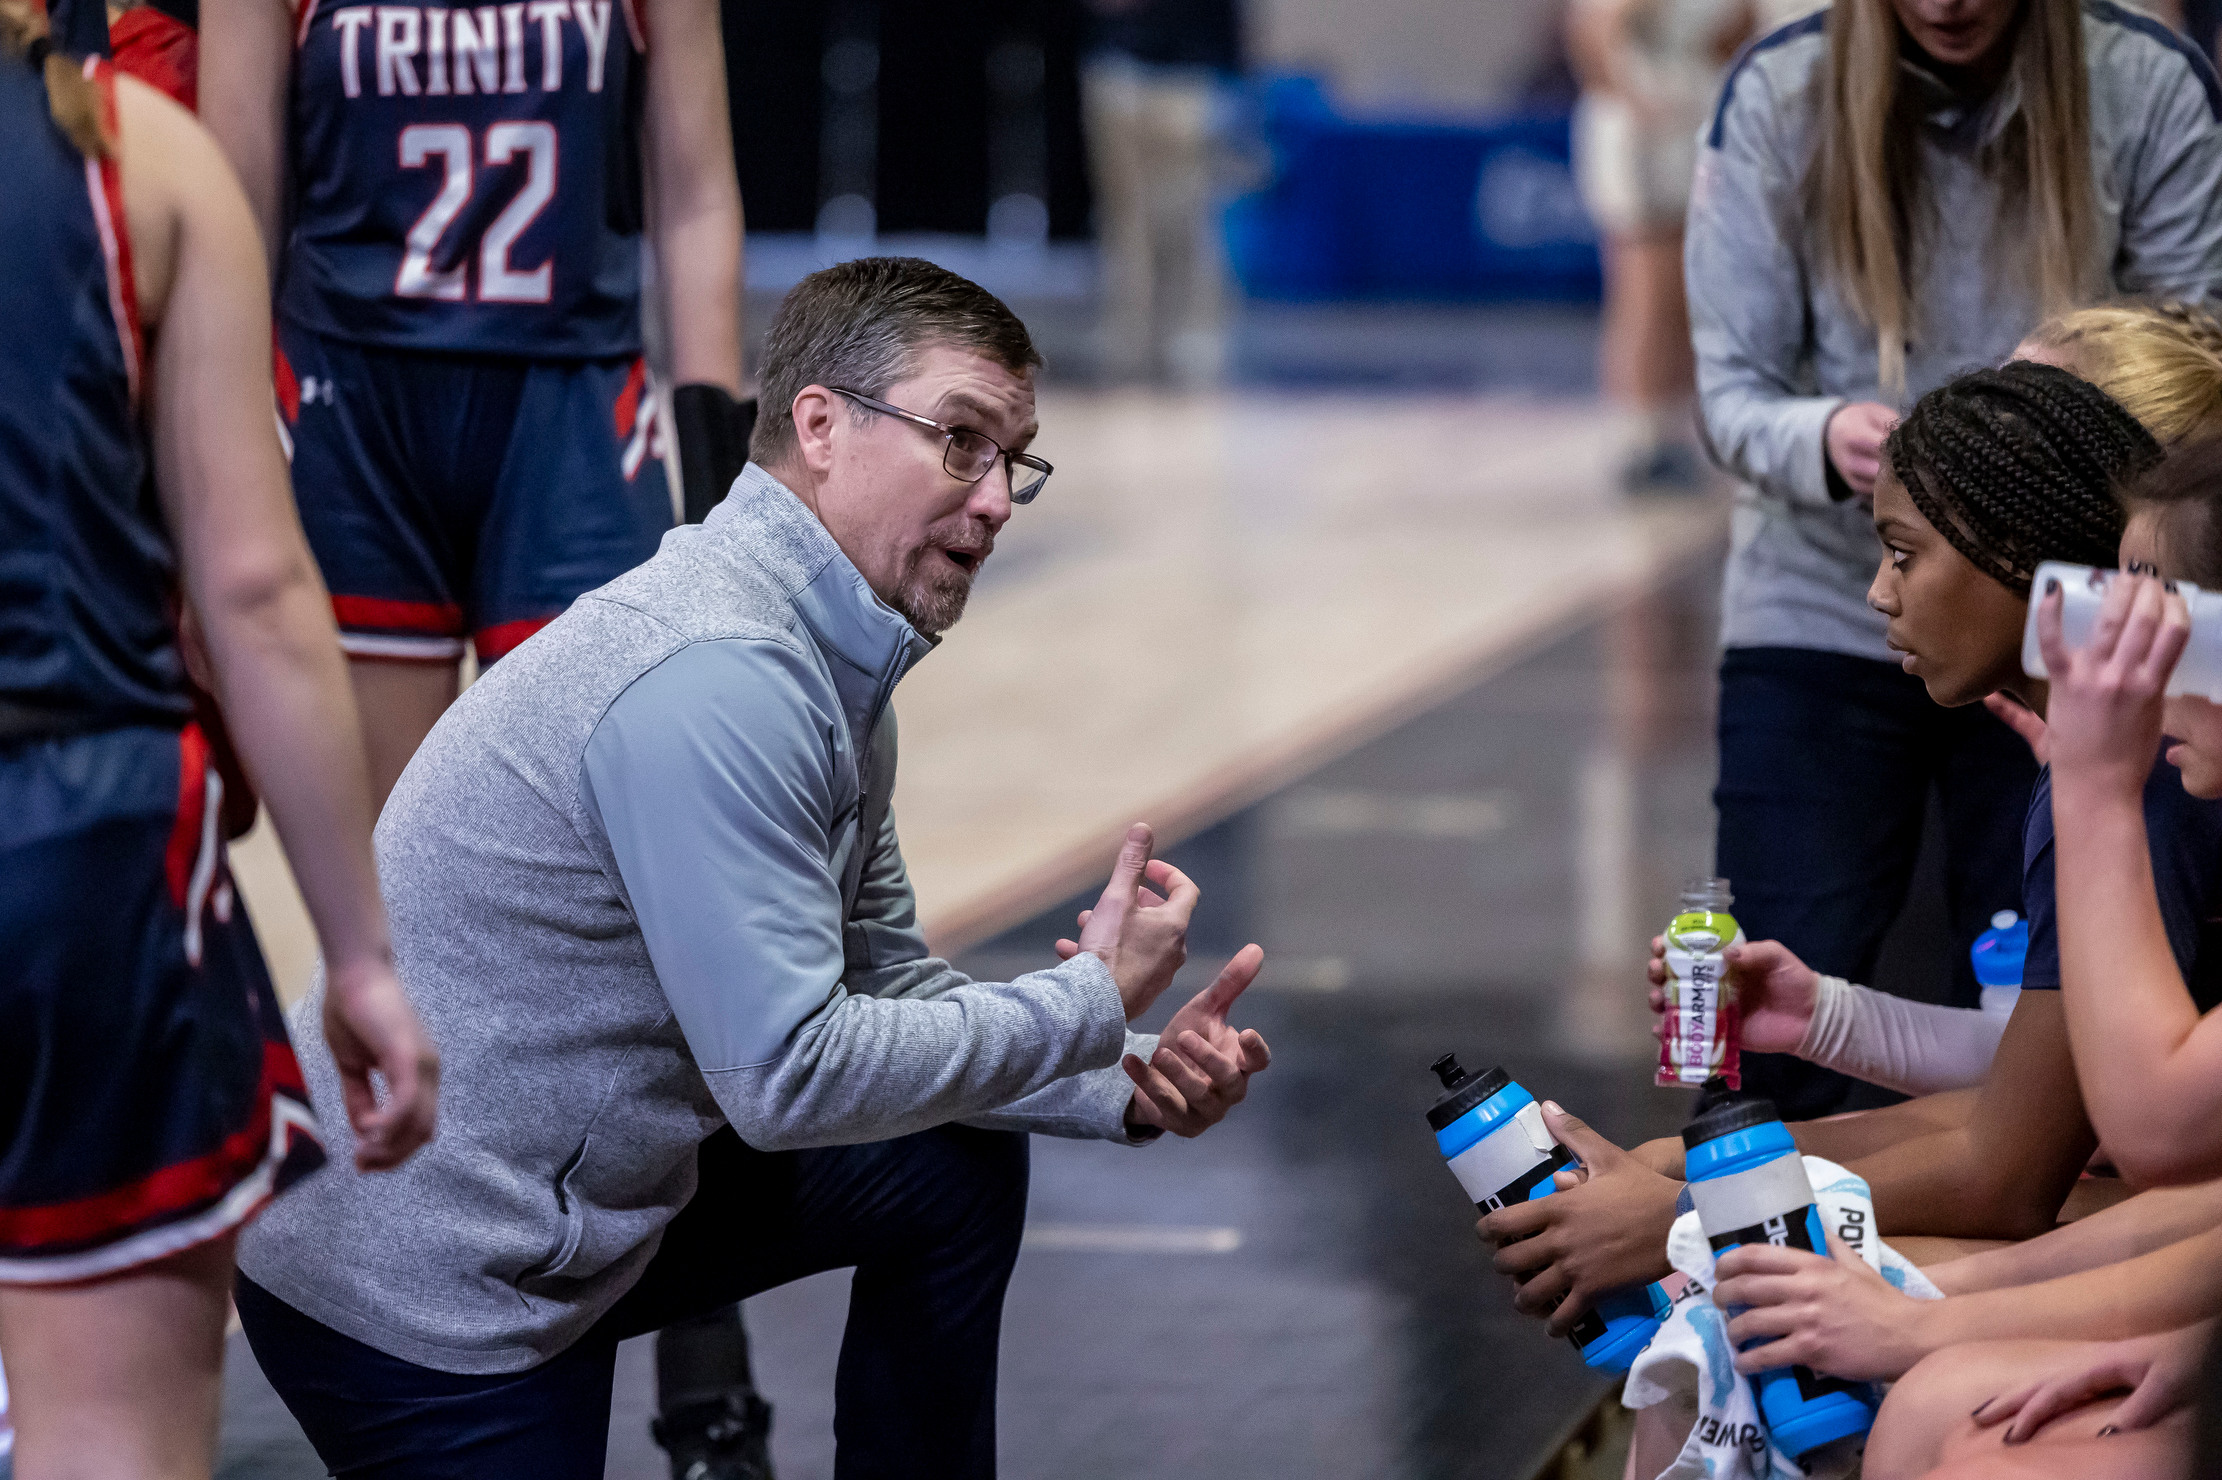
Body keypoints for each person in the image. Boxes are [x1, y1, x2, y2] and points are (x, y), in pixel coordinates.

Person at [231, 257, 1275, 1480]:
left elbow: (882, 992)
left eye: (1014, 460)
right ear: (820, 425)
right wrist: (1083, 1002)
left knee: (943, 1158)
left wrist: (1119, 1072)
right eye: (960, 441)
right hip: (419, 1283)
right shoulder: (720, 675)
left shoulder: (828, 659)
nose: (994, 499)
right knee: (903, 1119)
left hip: (565, 1217)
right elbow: (789, 1075)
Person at [1486, 365, 2222, 1378]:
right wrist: (1692, 1173)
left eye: (1899, 553)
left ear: (2018, 556)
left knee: (1725, 1311)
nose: (1876, 592)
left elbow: (2010, 1172)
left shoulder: (2133, 787)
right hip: (2152, 1225)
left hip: (2164, 1248)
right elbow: (2012, 1099)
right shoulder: (2096, 773)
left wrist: (1679, 1219)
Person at [0, 15, 438, 1480]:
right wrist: (361, 957)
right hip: (80, 851)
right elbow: (253, 592)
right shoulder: (138, 153)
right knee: (105, 1437)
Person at [1687, 0, 2222, 1121]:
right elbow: (2031, 1080)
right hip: (1824, 614)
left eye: (1905, 550)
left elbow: (2080, 1150)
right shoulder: (1779, 95)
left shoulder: (2132, 773)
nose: (1944, 3)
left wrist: (1677, 1197)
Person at [1643, 300, 2222, 1101]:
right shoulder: (2093, 753)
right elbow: (2035, 1069)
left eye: (2020, 429)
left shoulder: (2155, 770)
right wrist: (1820, 1016)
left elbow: (2054, 1157)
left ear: (2039, 524)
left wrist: (1681, 1185)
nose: (1878, 593)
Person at [200, 0, 746, 809]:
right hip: (348, 412)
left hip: (573, 413)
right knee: (391, 858)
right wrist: (209, 495)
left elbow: (696, 198)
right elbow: (229, 212)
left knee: (588, 845)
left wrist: (719, 502)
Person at [1566, 0, 1768, 491]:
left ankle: (1675, 428)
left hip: (1695, 122)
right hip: (1644, 136)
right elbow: (1592, 33)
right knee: (1646, 289)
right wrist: (1633, 99)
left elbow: (1735, 37)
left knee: (1686, 290)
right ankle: (1643, 434)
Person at [1081, 0, 1240, 385]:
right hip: (1123, 73)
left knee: (1186, 214)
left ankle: (1190, 334)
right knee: (1125, 218)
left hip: (1186, 78)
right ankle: (1133, 332)